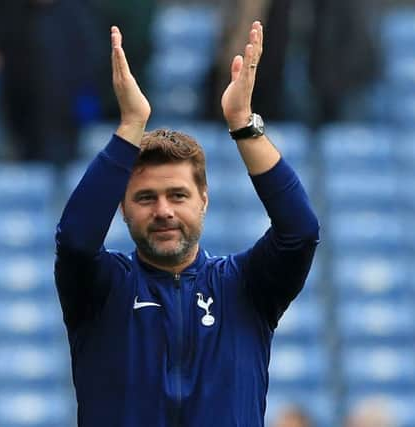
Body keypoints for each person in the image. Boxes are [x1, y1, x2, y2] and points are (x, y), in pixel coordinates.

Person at [54, 21, 319, 426]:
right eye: (146, 198)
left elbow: (300, 232)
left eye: (178, 195)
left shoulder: (245, 287)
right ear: (122, 208)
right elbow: (74, 240)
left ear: (203, 201)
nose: (164, 210)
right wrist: (130, 127)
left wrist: (243, 124)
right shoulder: (101, 288)